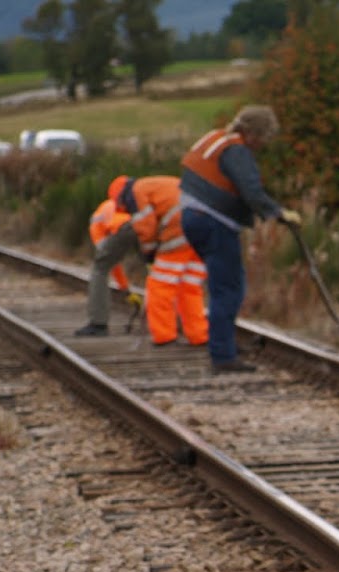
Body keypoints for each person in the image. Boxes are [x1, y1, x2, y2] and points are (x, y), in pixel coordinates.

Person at [177, 105, 300, 373]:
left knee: (223, 285)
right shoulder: (237, 151)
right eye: (264, 138)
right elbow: (252, 191)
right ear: (253, 133)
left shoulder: (216, 139)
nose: (263, 145)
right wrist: (278, 213)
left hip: (191, 216)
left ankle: (224, 343)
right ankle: (222, 356)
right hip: (214, 222)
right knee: (229, 290)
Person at [118, 174, 209, 348]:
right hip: (203, 230)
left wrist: (149, 252)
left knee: (160, 286)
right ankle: (198, 335)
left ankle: (164, 335)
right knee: (190, 286)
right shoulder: (155, 184)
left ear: (121, 197)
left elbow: (146, 226)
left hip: (179, 233)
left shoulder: (135, 193)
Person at [74, 175, 142, 337]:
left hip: (124, 228)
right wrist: (126, 289)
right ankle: (166, 321)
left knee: (99, 269)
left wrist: (125, 289)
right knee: (161, 271)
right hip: (142, 221)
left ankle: (98, 324)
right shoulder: (127, 204)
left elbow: (109, 263)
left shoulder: (97, 223)